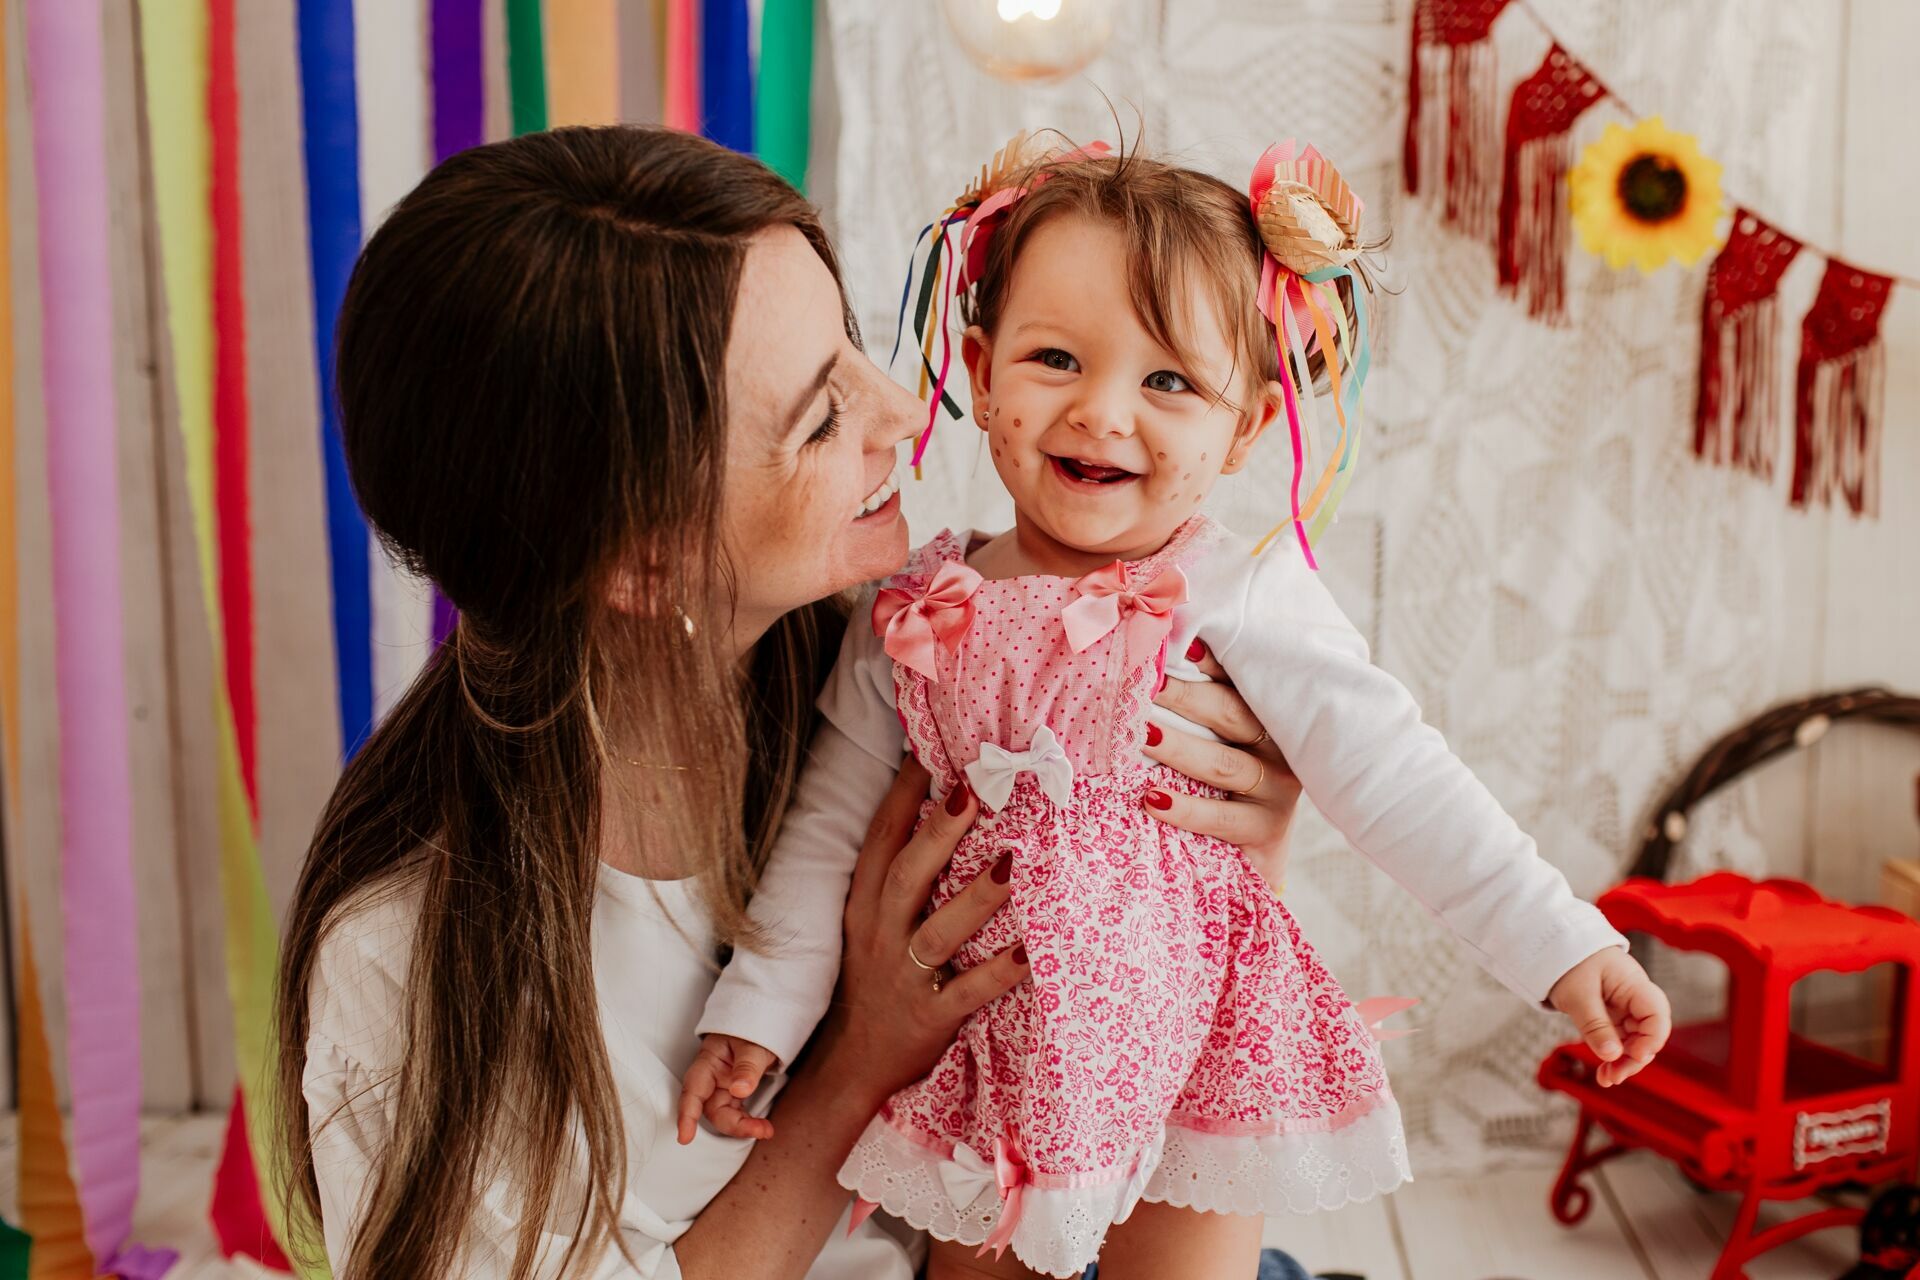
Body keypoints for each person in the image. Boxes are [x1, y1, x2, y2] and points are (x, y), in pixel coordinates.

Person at [274, 125, 1307, 1279]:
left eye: (854, 344)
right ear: (644, 563)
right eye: (822, 416)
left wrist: (1225, 856)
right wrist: (857, 1057)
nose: (904, 411)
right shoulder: (410, 961)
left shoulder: (898, 689)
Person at [680, 139, 1674, 1279]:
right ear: (979, 365)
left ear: (1245, 429)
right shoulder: (912, 611)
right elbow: (826, 831)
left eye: (1168, 382)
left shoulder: (1237, 596)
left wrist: (1566, 948)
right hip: (987, 1040)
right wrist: (758, 1011)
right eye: (1056, 358)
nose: (1105, 412)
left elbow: (1401, 780)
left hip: (1195, 1032)